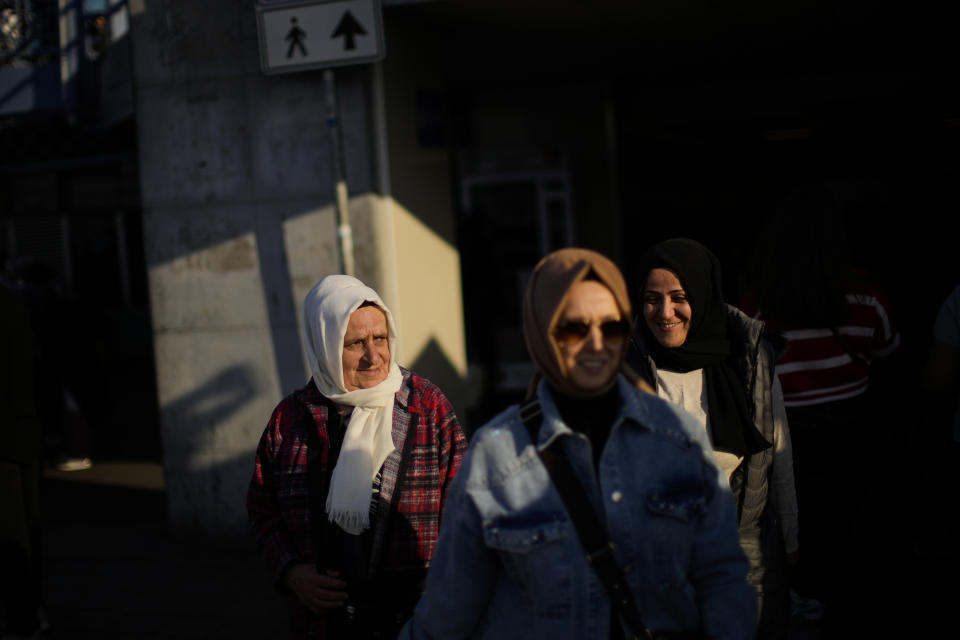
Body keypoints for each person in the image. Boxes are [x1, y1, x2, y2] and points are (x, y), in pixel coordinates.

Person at [400, 248, 755, 640]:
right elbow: (448, 613)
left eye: (613, 327)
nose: (596, 344)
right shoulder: (496, 453)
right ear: (540, 331)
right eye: (573, 329)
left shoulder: (679, 439)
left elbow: (722, 583)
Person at [246, 275, 468, 639]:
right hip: (324, 624)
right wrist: (290, 572)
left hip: (419, 620)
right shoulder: (290, 419)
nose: (373, 355)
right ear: (325, 345)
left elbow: (467, 508)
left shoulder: (426, 408)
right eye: (355, 343)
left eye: (380, 338)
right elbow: (261, 506)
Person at [741, 185, 900, 638]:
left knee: (797, 554)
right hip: (858, 445)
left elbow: (743, 376)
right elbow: (889, 356)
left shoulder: (757, 307)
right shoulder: (868, 298)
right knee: (854, 552)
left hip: (790, 451)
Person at [625, 238, 798, 640]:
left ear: (702, 295)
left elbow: (779, 458)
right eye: (651, 299)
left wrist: (789, 545)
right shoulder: (625, 366)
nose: (664, 313)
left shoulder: (748, 360)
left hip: (741, 555)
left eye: (678, 297)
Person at [1, 283, 47, 639]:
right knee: (28, 530)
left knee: (12, 537)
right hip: (24, 428)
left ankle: (22, 620)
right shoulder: (15, 297)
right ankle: (34, 612)